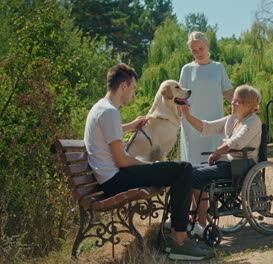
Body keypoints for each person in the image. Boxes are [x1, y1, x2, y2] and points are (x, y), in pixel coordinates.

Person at [83, 63, 212, 261]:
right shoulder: (109, 112)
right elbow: (121, 160)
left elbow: (109, 134)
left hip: (109, 178)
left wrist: (131, 126)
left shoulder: (101, 108)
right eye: (133, 88)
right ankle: (179, 240)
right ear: (124, 86)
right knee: (183, 169)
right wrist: (152, 166)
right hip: (115, 179)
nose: (133, 94)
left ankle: (175, 229)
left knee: (178, 170)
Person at [180, 85, 262, 232]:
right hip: (226, 164)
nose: (232, 103)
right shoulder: (232, 119)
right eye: (234, 100)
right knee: (186, 171)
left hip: (241, 165)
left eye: (237, 101)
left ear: (249, 105)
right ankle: (191, 219)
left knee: (196, 176)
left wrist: (217, 152)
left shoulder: (253, 121)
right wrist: (186, 115)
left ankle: (202, 224)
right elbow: (206, 127)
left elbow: (236, 142)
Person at [179, 31, 234, 166]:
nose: (198, 53)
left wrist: (245, 107)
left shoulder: (218, 68)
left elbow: (228, 93)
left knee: (214, 158)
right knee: (195, 161)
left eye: (201, 48)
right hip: (192, 123)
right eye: (194, 50)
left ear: (207, 45)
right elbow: (180, 98)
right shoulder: (187, 69)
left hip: (215, 121)